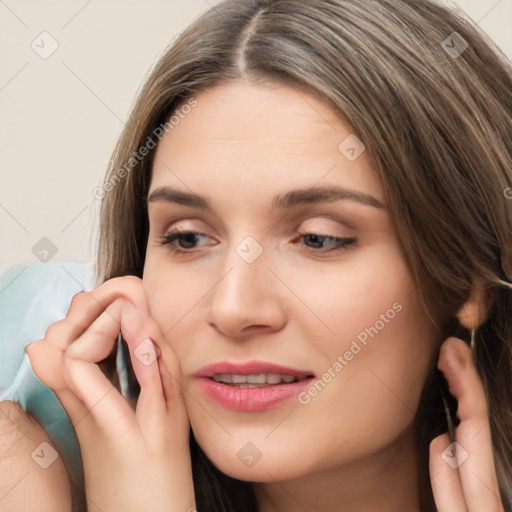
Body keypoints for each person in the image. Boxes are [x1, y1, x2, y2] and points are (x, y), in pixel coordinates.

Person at [2, 0, 512, 510]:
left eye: (317, 238)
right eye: (188, 238)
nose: (234, 307)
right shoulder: (22, 472)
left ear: (466, 278)